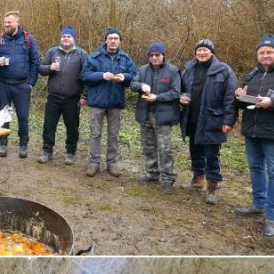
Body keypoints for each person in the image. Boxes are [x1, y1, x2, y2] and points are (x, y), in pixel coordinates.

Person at [233, 33, 274, 238]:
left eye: (270, 52)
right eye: (262, 52)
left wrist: (272, 103)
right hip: (252, 131)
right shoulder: (252, 74)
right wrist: (239, 97)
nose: (265, 55)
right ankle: (258, 203)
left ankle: (272, 216)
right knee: (255, 168)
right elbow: (243, 104)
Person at [179, 39, 238, 204]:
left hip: (213, 120)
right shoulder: (188, 69)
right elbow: (180, 89)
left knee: (212, 155)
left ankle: (212, 189)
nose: (202, 53)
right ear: (195, 53)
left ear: (212, 52)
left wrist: (229, 121)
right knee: (195, 151)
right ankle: (197, 179)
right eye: (199, 50)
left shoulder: (224, 70)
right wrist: (180, 97)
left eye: (205, 50)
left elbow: (230, 98)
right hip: (192, 118)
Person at [82, 28, 136, 177]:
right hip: (97, 103)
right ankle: (94, 163)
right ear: (106, 40)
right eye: (110, 38)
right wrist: (101, 75)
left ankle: (112, 163)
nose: (113, 41)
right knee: (95, 134)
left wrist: (124, 77)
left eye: (116, 38)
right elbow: (85, 76)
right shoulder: (95, 57)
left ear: (120, 41)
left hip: (115, 103)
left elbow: (134, 76)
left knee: (113, 135)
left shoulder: (125, 59)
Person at [131, 42, 181, 194]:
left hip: (163, 116)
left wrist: (157, 97)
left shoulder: (173, 71)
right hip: (145, 113)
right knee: (148, 146)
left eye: (157, 55)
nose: (154, 58)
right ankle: (152, 173)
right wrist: (141, 86)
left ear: (163, 55)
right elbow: (133, 84)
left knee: (165, 148)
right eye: (151, 55)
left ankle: (168, 179)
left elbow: (176, 92)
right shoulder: (143, 70)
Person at [0, 10, 40, 159]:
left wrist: (31, 83)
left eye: (9, 22)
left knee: (23, 116)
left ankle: (23, 145)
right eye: (5, 22)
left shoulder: (28, 39)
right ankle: (3, 144)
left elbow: (35, 62)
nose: (6, 25)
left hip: (22, 85)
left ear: (17, 22)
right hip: (3, 84)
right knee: (3, 116)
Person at [37, 26, 87, 165]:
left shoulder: (81, 54)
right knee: (49, 126)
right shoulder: (53, 52)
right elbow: (41, 69)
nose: (66, 39)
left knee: (72, 127)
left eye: (68, 36)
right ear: (61, 38)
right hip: (53, 97)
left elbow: (87, 76)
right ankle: (47, 151)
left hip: (73, 98)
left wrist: (85, 96)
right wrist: (49, 67)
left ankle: (70, 152)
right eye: (64, 36)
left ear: (73, 39)